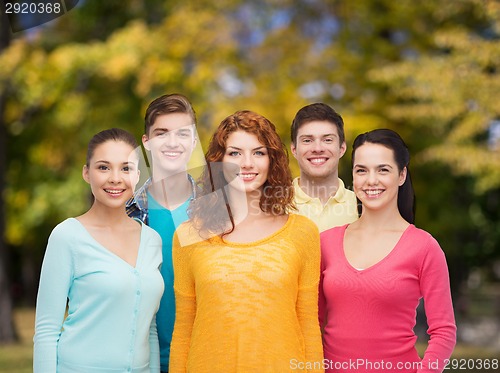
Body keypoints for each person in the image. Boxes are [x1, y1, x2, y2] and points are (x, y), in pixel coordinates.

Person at [169, 110, 324, 372]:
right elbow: (184, 327)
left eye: (259, 153)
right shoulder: (188, 235)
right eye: (235, 153)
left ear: (272, 161)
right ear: (218, 162)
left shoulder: (303, 233)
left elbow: (308, 325)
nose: (247, 163)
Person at [319, 129, 456, 372]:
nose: (371, 180)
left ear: (402, 175)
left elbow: (443, 331)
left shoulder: (424, 247)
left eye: (383, 169)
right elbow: (312, 321)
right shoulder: (325, 243)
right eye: (361, 170)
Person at [33, 128, 164, 373]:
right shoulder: (67, 236)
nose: (115, 178)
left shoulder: (152, 241)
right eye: (103, 167)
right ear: (86, 173)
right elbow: (46, 331)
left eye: (125, 168)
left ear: (137, 175)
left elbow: (150, 328)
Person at [126, 93, 199, 373]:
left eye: (182, 133)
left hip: (204, 357)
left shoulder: (219, 213)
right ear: (146, 142)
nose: (172, 142)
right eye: (161, 133)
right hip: (141, 362)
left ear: (193, 142)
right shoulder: (127, 214)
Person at [290, 103, 358, 232]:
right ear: (294, 149)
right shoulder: (274, 206)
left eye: (327, 140)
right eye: (307, 140)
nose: (317, 149)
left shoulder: (362, 206)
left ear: (342, 149)